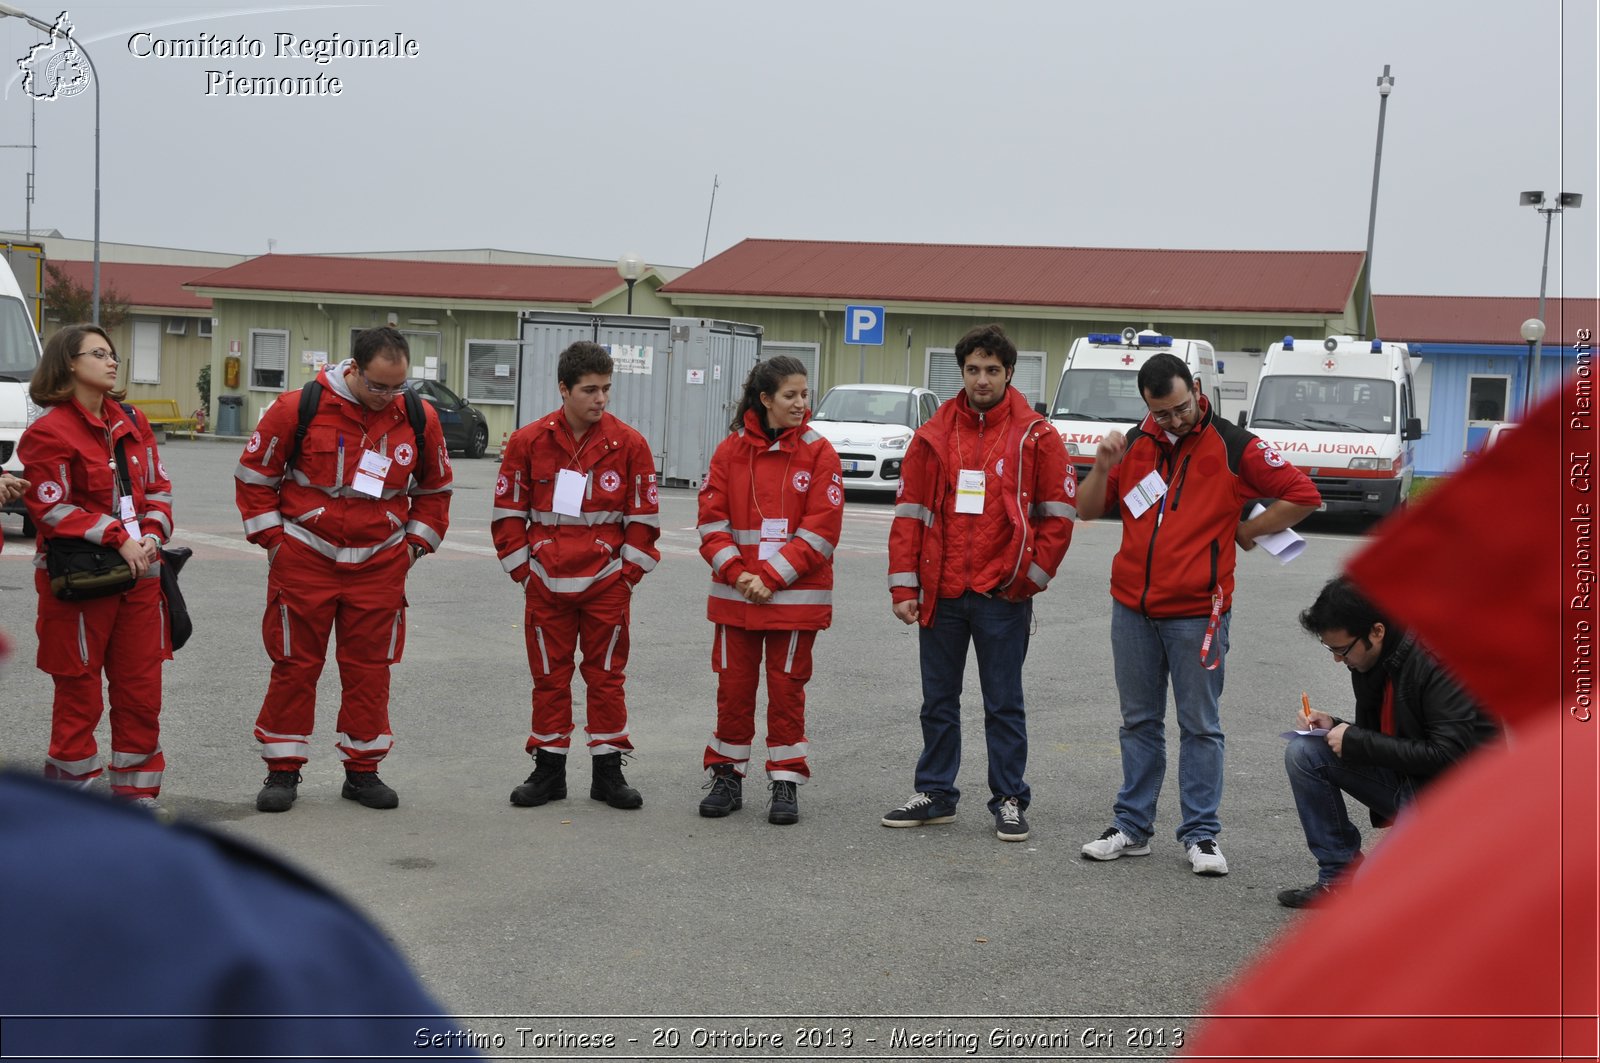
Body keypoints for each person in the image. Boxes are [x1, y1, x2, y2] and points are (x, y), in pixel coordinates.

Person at [1076, 351, 1320, 875]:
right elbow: (1088, 507)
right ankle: (1132, 826)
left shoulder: (1235, 446)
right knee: (1138, 722)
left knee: (1200, 726)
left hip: (1197, 614)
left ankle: (1202, 835)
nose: (1173, 421)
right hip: (1132, 610)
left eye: (1181, 408)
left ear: (1196, 388)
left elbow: (1303, 496)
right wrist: (1101, 468)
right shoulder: (1135, 444)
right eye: (1160, 413)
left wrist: (1250, 531)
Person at [236, 327, 452, 813]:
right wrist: (275, 544)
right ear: (352, 369)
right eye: (377, 386)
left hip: (379, 566)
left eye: (396, 387)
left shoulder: (419, 417)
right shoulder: (298, 408)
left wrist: (413, 548)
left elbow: (436, 491)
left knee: (370, 671)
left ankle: (363, 771)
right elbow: (254, 479)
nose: (386, 398)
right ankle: (282, 771)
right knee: (294, 666)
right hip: (305, 560)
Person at [882, 323, 1076, 842]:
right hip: (942, 592)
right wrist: (905, 588)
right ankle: (936, 794)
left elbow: (1058, 518)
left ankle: (1009, 798)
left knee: (1004, 703)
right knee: (937, 702)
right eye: (973, 369)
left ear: (1009, 373)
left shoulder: (1037, 434)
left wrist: (1027, 581)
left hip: (1001, 594)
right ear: (961, 372)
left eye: (992, 370)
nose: (982, 379)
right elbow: (909, 515)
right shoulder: (933, 434)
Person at [492, 341, 660, 811]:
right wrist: (524, 573)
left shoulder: (630, 444)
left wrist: (626, 576)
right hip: (545, 585)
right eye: (590, 390)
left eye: (606, 389)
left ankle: (608, 772)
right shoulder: (528, 442)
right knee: (549, 677)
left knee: (607, 677)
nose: (601, 399)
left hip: (607, 585)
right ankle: (549, 772)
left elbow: (644, 522)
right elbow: (507, 513)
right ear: (563, 389)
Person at [18, 324, 174, 808]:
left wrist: (150, 534)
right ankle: (72, 805)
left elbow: (159, 489)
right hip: (80, 584)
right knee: (78, 695)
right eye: (99, 354)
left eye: (113, 355)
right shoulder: (48, 431)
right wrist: (116, 535)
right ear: (69, 362)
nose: (112, 362)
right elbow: (51, 508)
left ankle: (136, 797)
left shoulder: (131, 419)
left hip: (140, 579)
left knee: (141, 693)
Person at [1278, 576, 1497, 907]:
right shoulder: (1368, 656)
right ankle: (1338, 878)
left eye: (1341, 650)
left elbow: (1449, 754)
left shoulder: (1437, 660)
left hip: (1456, 797)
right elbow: (1382, 736)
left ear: (1376, 631)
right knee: (1305, 751)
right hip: (1409, 779)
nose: (1338, 660)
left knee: (1376, 904)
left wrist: (1355, 739)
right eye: (1330, 649)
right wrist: (1335, 727)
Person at [695, 356, 842, 825]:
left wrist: (770, 577)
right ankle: (726, 775)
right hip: (737, 597)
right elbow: (711, 522)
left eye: (805, 394)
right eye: (790, 395)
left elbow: (821, 530)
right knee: (732, 690)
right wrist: (739, 574)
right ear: (765, 399)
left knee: (786, 692)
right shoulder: (729, 452)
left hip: (793, 604)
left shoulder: (820, 453)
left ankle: (785, 779)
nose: (801, 404)